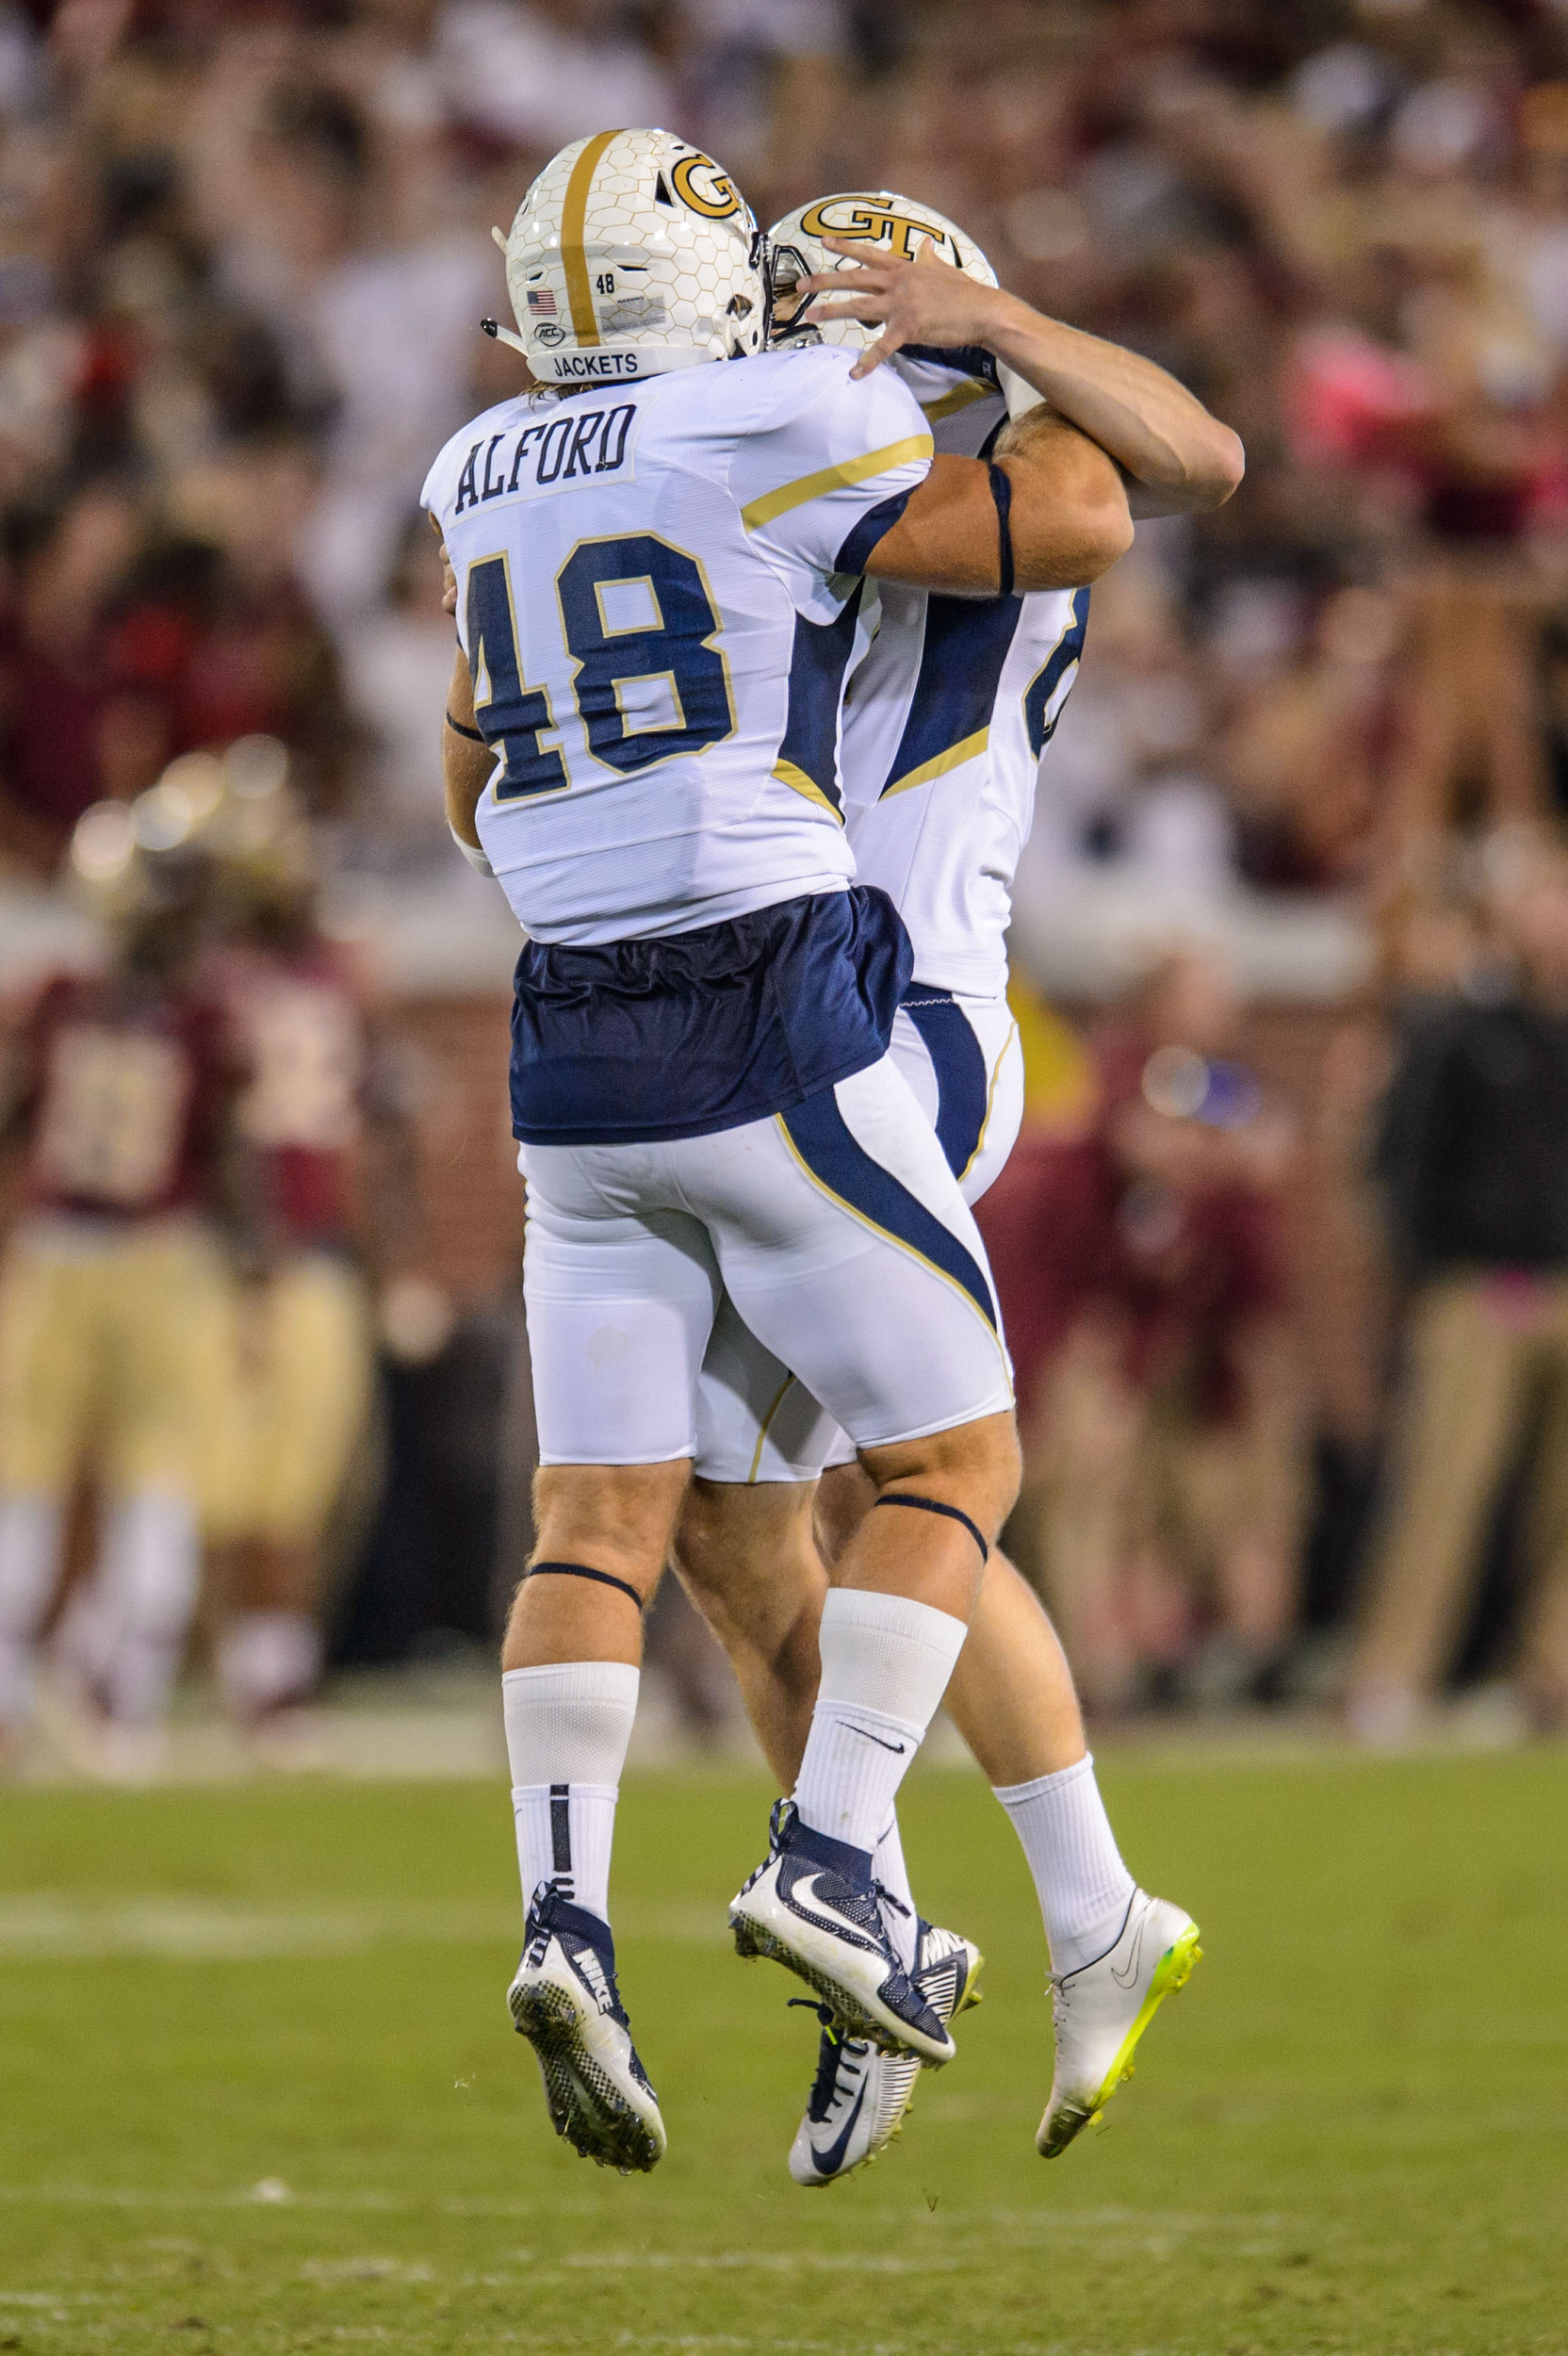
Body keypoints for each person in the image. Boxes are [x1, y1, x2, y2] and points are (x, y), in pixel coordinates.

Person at [427, 127, 1134, 2175]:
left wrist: (969, 332)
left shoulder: (487, 470)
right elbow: (1087, 490)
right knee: (863, 1491)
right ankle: (859, 1872)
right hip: (766, 994)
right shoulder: (784, 426)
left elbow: (476, 761)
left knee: (639, 1506)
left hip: (646, 1017)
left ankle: (618, 1901)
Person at [665, 196, 1243, 2182]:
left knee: (904, 1483)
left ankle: (905, 1905)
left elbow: (1176, 463)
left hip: (901, 1029)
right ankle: (1007, 1925)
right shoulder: (774, 469)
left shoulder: (1003, 471)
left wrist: (977, 313)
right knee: (745, 1536)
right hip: (782, 1020)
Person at [0, 794, 245, 1776]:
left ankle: (44, 1701)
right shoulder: (193, 1013)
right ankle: (120, 1709)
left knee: (41, 1488)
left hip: (69, 1252)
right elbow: (226, 1159)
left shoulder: (61, 994)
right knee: (141, 1489)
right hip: (152, 1256)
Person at [200, 747, 423, 1737]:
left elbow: (380, 1132)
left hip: (305, 1254)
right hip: (243, 1260)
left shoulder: (325, 976)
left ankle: (266, 1668)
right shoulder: (234, 981)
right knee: (238, 1479)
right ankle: (250, 1671)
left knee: (313, 1480)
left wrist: (395, 1259)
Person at [1348, 834, 1568, 1742]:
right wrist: (1432, 1274)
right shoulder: (1458, 1028)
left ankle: (1550, 1679)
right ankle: (1391, 1681)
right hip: (1481, 1292)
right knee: (1443, 1491)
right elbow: (1400, 1167)